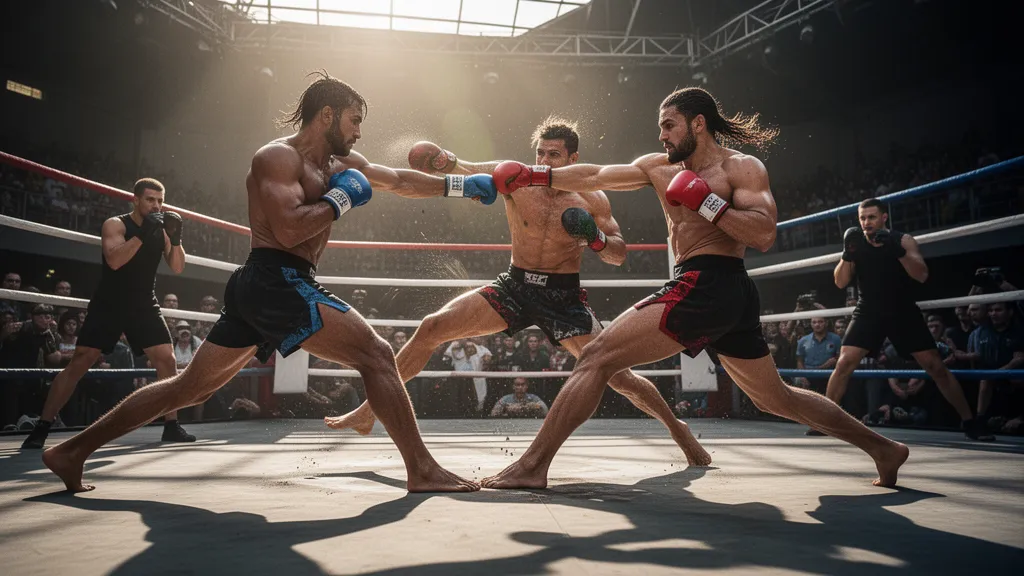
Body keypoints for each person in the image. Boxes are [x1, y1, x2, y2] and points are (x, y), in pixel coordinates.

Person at [40, 71, 497, 493]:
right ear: (327, 115)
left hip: (272, 285)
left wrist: (463, 187)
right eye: (354, 121)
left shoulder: (341, 162)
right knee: (377, 354)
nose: (359, 132)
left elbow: (396, 180)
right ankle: (421, 469)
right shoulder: (276, 158)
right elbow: (290, 230)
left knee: (187, 388)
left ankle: (70, 452)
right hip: (273, 278)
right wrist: (341, 201)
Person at [479, 86, 910, 489]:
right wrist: (533, 176)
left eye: (669, 125)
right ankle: (884, 449)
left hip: (714, 280)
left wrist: (706, 201)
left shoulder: (740, 168)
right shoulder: (658, 168)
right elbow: (593, 176)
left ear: (697, 124)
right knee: (775, 399)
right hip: (707, 287)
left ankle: (532, 466)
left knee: (596, 356)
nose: (661, 134)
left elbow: (762, 234)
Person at [326, 117, 710, 465]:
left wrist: (594, 238)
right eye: (540, 152)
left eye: (554, 155)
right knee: (431, 328)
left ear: (573, 157)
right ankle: (367, 413)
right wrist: (444, 161)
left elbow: (618, 255)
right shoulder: (517, 177)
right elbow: (469, 172)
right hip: (515, 285)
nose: (544, 160)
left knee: (617, 374)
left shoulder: (593, 197)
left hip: (563, 296)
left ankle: (678, 430)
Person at [22, 178, 194, 449]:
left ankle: (171, 425)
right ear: (135, 200)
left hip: (143, 303)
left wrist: (176, 239)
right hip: (110, 303)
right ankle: (42, 427)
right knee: (80, 361)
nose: (156, 205)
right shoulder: (116, 224)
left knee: (167, 360)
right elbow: (114, 261)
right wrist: (141, 234)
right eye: (150, 199)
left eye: (160, 201)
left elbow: (177, 267)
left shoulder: (160, 229)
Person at [823, 198, 992, 440]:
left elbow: (921, 275)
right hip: (868, 310)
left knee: (935, 366)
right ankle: (826, 421)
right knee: (844, 363)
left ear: (884, 217)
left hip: (902, 311)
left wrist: (898, 251)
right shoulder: (856, 244)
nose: (866, 223)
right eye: (862, 218)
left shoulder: (903, 240)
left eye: (871, 217)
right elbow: (840, 282)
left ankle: (969, 421)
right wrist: (847, 254)